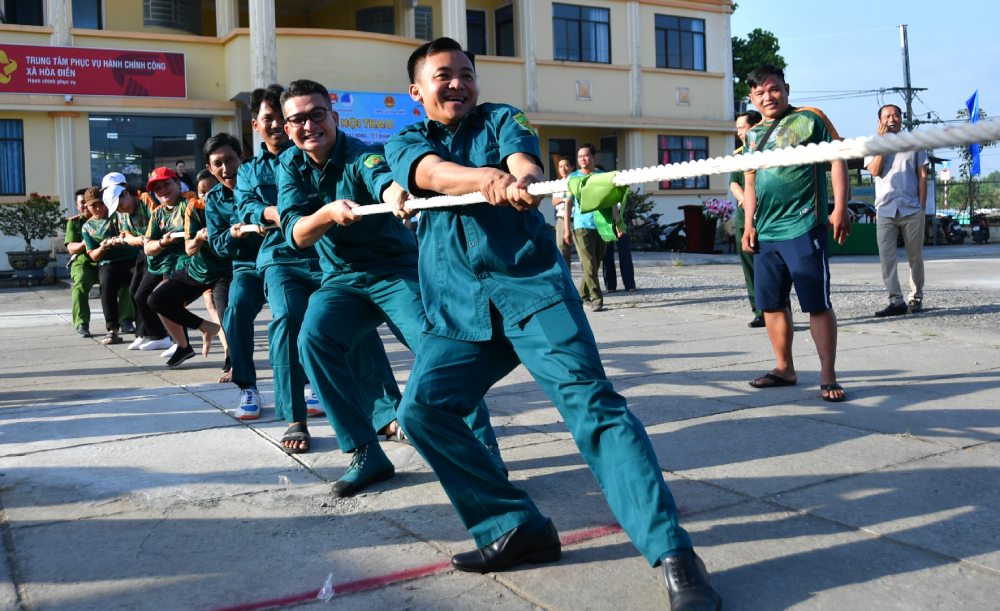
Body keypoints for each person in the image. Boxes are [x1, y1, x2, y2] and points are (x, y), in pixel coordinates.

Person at [384, 37, 721, 611]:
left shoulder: (502, 118)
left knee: (594, 407)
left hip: (531, 291)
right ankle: (515, 527)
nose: (458, 83)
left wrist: (515, 178)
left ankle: (673, 554)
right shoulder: (405, 140)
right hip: (458, 308)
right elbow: (431, 174)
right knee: (421, 411)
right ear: (417, 91)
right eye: (443, 75)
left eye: (466, 73)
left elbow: (523, 160)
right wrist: (477, 179)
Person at [276, 78, 502, 495]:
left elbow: (382, 178)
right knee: (313, 340)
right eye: (298, 120)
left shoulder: (361, 154)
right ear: (287, 129)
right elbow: (297, 235)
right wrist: (327, 212)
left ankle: (484, 450)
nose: (309, 126)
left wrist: (396, 192)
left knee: (440, 349)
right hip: (341, 279)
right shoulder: (290, 165)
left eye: (317, 114)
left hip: (395, 271)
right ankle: (366, 452)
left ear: (334, 116)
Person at [235, 84, 402, 453]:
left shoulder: (337, 153)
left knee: (354, 322)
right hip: (282, 256)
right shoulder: (250, 170)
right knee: (289, 317)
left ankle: (387, 414)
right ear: (258, 125)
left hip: (330, 255)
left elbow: (375, 174)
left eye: (312, 116)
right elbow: (246, 208)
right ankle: (296, 416)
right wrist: (282, 213)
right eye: (270, 119)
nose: (279, 125)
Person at [741, 64, 850, 403]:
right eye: (760, 93)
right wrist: (748, 224)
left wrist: (840, 207)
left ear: (786, 89)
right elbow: (750, 183)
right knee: (771, 304)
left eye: (773, 89)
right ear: (752, 98)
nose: (768, 97)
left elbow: (838, 159)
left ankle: (828, 374)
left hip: (804, 225)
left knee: (816, 303)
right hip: (766, 231)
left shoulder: (810, 118)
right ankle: (784, 368)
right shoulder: (752, 136)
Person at [148, 137, 234, 369]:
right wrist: (197, 238)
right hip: (197, 268)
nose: (207, 195)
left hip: (226, 271)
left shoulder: (232, 203)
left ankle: (232, 359)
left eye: (211, 190)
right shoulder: (192, 209)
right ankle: (202, 330)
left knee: (223, 311)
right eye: (202, 191)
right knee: (155, 298)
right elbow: (187, 247)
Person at [865, 104, 928, 317]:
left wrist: (921, 206)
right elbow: (874, 170)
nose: (891, 119)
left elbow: (922, 175)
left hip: (912, 209)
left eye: (895, 115)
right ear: (879, 121)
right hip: (885, 210)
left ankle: (916, 298)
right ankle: (896, 301)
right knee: (887, 258)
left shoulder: (914, 142)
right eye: (887, 116)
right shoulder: (872, 144)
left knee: (915, 256)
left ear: (902, 118)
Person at [101, 173, 164, 351]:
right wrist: (136, 239)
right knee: (134, 291)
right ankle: (142, 334)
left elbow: (155, 227)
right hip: (143, 252)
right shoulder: (122, 214)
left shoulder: (146, 200)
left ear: (126, 191)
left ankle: (160, 335)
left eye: (121, 204)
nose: (121, 209)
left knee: (145, 294)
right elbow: (127, 234)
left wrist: (138, 239)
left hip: (160, 252)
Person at [65, 188, 133, 338]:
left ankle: (126, 320)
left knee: (126, 281)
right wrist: (86, 242)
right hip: (85, 263)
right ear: (77, 205)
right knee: (80, 283)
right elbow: (71, 248)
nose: (93, 207)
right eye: (83, 203)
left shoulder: (116, 216)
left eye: (100, 203)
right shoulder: (76, 223)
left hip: (110, 260)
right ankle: (82, 323)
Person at [141, 167, 195, 354]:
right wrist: (163, 242)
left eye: (166, 184)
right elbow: (148, 247)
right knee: (149, 296)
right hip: (168, 265)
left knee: (163, 297)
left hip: (194, 263)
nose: (162, 190)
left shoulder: (189, 205)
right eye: (157, 188)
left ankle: (184, 342)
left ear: (178, 184)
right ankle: (179, 343)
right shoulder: (157, 213)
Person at [81, 188, 141, 345]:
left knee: (140, 285)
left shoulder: (119, 215)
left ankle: (144, 329)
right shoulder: (87, 227)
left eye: (101, 204)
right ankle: (113, 330)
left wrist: (121, 239)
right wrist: (104, 247)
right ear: (87, 206)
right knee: (106, 285)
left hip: (131, 258)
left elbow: (130, 232)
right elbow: (93, 255)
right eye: (93, 206)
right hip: (108, 263)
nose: (98, 208)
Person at [729, 110, 765, 328]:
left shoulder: (770, 150)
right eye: (738, 129)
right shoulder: (739, 155)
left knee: (773, 267)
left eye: (742, 128)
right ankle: (759, 311)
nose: (739, 133)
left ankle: (780, 311)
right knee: (750, 268)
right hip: (745, 218)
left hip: (768, 216)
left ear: (755, 127)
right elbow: (734, 182)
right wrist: (745, 199)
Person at [567, 144, 606, 311]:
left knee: (595, 264)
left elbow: (611, 202)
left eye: (586, 155)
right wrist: (567, 228)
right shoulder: (573, 177)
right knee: (589, 265)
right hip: (582, 225)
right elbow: (568, 202)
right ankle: (597, 299)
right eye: (580, 156)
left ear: (593, 157)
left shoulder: (602, 176)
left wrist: (616, 222)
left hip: (601, 225)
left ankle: (582, 294)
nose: (583, 159)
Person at [602, 199, 636, 293]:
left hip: (614, 217)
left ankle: (619, 285)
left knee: (621, 253)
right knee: (610, 254)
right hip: (610, 218)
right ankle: (615, 285)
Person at [550, 157, 575, 266]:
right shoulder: (557, 183)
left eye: (566, 166)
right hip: (561, 219)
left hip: (575, 219)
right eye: (560, 166)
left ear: (572, 167)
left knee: (582, 252)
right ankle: (566, 276)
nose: (563, 169)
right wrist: (566, 199)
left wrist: (564, 200)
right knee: (562, 252)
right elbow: (554, 201)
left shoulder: (576, 181)